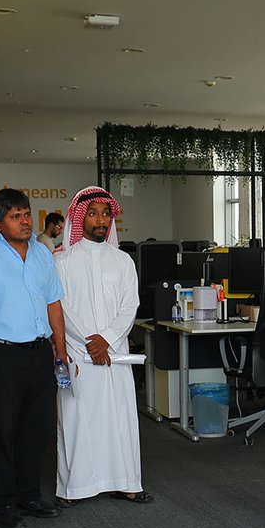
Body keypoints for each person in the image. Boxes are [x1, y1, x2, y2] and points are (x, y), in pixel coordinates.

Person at [0, 188, 68, 528]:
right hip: (1, 354)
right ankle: (3, 503)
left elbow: (53, 303)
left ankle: (29, 495)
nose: (25, 222)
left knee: (35, 429)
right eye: (15, 216)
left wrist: (60, 351)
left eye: (27, 214)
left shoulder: (42, 254)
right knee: (2, 432)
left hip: (40, 353)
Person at [53, 186, 150, 507]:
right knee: (77, 421)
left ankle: (127, 483)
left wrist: (105, 339)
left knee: (120, 418)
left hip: (114, 352)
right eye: (93, 213)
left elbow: (130, 306)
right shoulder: (62, 261)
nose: (100, 220)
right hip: (78, 353)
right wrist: (91, 342)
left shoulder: (123, 261)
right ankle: (75, 487)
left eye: (105, 214)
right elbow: (61, 307)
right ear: (79, 218)